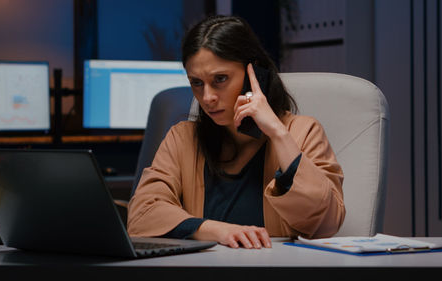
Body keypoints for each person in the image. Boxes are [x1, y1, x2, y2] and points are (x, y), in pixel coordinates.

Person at [127, 15, 345, 249]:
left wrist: (278, 133)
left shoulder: (303, 132)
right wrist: (214, 229)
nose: (207, 97)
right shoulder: (183, 139)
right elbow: (141, 215)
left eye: (220, 79)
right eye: (197, 83)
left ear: (255, 74)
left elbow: (326, 222)